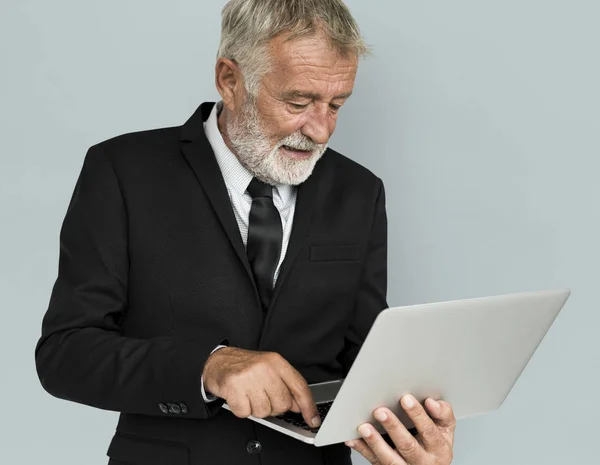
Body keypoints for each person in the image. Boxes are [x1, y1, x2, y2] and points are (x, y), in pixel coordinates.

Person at [34, 1, 456, 464]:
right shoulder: (122, 172)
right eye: (298, 102)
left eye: (336, 105)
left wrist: (410, 436)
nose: (320, 130)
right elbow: (65, 354)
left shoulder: (360, 192)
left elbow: (365, 365)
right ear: (229, 80)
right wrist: (208, 365)